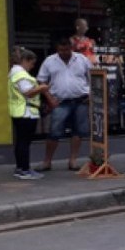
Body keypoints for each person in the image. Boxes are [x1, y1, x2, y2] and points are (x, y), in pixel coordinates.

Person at [36, 37, 92, 171]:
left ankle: (73, 161)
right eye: (61, 50)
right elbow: (41, 81)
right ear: (57, 49)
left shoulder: (82, 59)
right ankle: (47, 161)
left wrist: (92, 94)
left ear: (71, 48)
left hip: (80, 100)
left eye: (66, 49)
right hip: (59, 102)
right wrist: (49, 98)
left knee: (78, 132)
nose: (64, 52)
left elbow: (93, 77)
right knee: (54, 132)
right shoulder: (50, 61)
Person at [9, 47, 49, 180]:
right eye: (32, 63)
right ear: (25, 60)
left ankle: (20, 168)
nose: (32, 67)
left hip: (20, 111)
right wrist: (41, 88)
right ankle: (25, 170)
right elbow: (27, 92)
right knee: (24, 142)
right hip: (26, 112)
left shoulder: (15, 73)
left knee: (21, 141)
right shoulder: (20, 74)